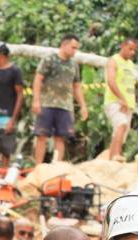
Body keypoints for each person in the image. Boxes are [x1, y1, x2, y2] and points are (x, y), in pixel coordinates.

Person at [32, 35, 88, 164]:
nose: (75, 51)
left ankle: (56, 167)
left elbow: (77, 87)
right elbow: (38, 79)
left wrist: (83, 106)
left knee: (61, 138)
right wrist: (36, 100)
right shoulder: (49, 59)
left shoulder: (74, 65)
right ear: (64, 45)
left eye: (76, 48)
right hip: (47, 103)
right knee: (42, 136)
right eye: (73, 47)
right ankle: (38, 167)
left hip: (65, 106)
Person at [103, 38, 138, 161]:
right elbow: (111, 81)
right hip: (114, 101)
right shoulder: (114, 61)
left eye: (134, 50)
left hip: (128, 104)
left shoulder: (131, 64)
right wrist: (121, 98)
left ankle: (111, 159)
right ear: (122, 46)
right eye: (130, 49)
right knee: (121, 124)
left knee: (120, 133)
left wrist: (129, 102)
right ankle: (117, 156)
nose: (132, 52)